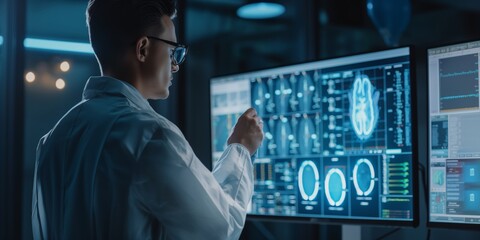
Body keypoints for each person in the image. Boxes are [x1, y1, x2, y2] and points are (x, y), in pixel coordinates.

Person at [31, 0, 263, 239]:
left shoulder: (52, 140)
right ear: (142, 48)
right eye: (173, 51)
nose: (175, 66)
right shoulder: (151, 134)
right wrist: (241, 149)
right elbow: (220, 228)